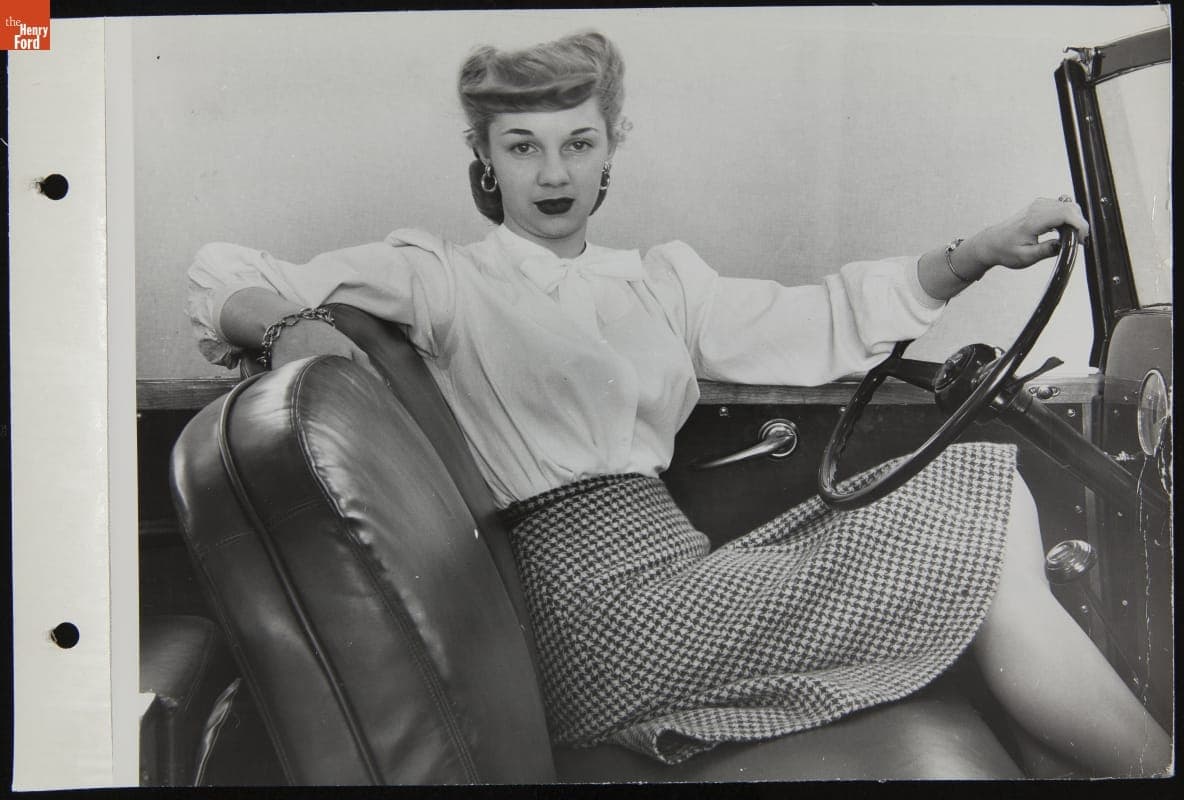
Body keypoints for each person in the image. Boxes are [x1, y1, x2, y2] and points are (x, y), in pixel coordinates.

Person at [186, 31, 1169, 777]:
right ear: (484, 161)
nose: (553, 172)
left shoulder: (658, 280)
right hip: (591, 615)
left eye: (576, 142)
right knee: (987, 533)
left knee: (981, 502)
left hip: (674, 568)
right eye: (521, 147)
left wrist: (978, 249)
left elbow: (821, 318)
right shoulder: (442, 280)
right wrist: (286, 326)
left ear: (610, 148)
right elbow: (220, 270)